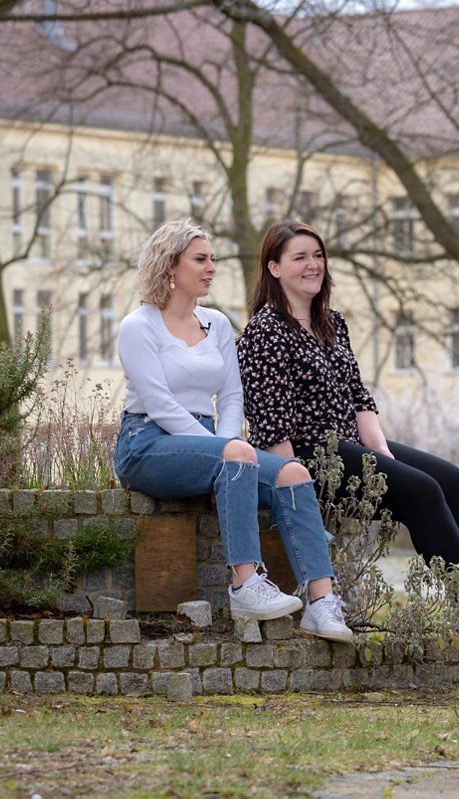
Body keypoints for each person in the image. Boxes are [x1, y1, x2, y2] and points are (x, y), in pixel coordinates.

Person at [236, 220, 459, 638]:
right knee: (421, 491)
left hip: (348, 446)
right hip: (307, 458)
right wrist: (298, 493)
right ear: (274, 268)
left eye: (318, 255)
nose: (313, 265)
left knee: (452, 480)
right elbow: (272, 426)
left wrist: (383, 458)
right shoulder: (265, 332)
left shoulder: (331, 322)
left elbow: (360, 400)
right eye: (300, 257)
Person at [113, 219, 352, 642]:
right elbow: (161, 405)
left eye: (213, 259)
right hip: (147, 442)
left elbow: (231, 397)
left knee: (293, 472)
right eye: (200, 260)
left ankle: (321, 603)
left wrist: (226, 452)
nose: (212, 268)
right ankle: (245, 586)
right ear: (170, 265)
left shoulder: (217, 323)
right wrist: (226, 452)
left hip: (212, 442)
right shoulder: (139, 325)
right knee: (238, 455)